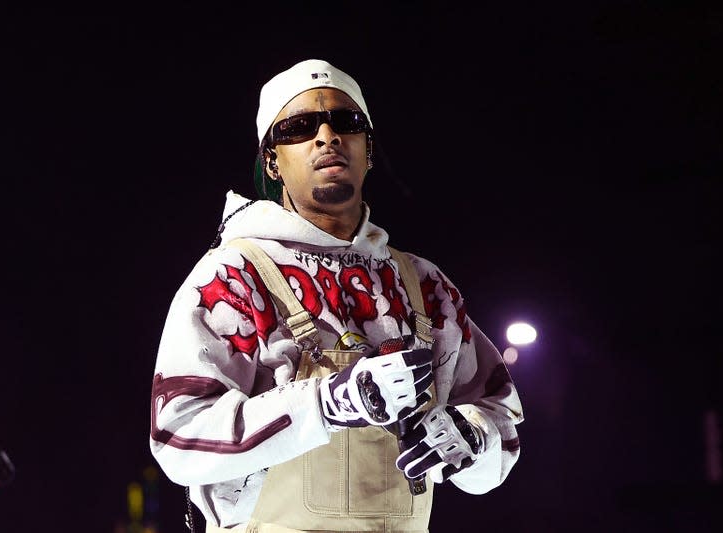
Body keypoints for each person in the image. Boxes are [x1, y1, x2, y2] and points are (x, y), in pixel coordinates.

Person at [149, 59, 524, 533]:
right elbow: (179, 438)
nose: (327, 136)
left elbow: (500, 421)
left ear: (368, 150)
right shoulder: (234, 277)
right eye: (301, 127)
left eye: (346, 123)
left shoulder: (425, 288)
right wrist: (328, 403)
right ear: (272, 161)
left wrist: (472, 435)